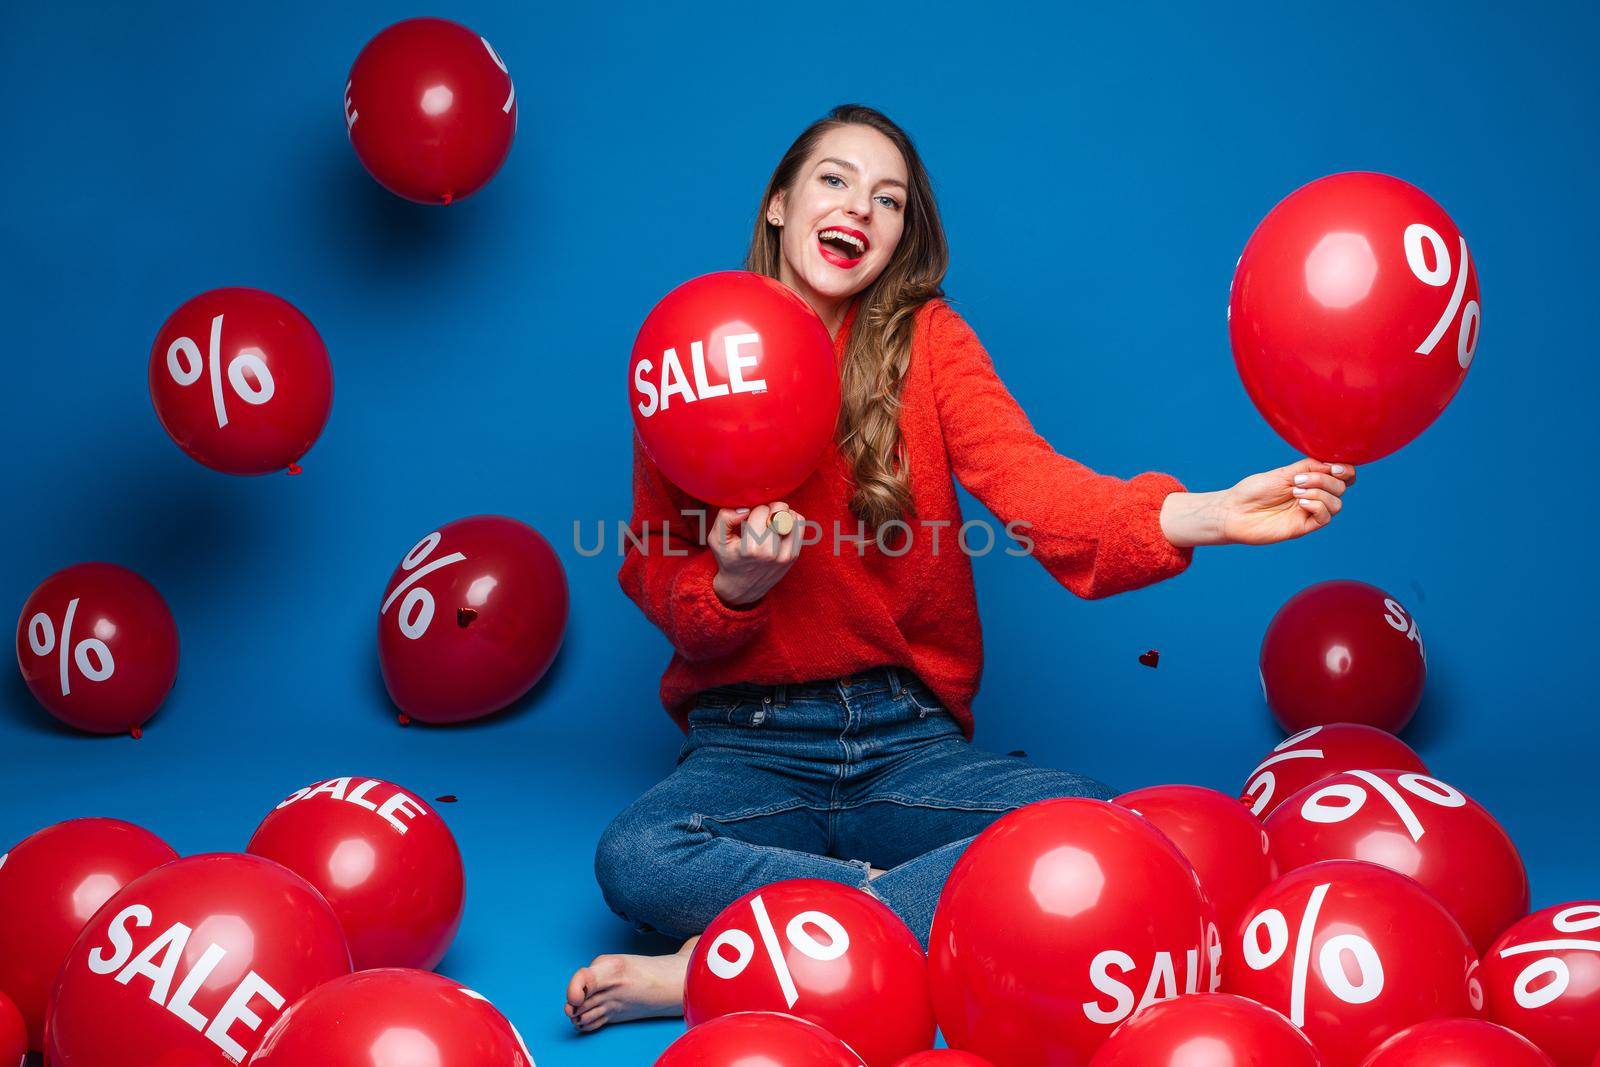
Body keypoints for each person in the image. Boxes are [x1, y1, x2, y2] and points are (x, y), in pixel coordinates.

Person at [565, 104, 1355, 1032]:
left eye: (888, 198)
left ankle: (746, 951)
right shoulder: (696, 346)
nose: (860, 205)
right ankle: (881, 913)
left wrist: (1204, 512)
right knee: (635, 854)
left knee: (1095, 832)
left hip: (906, 740)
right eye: (834, 179)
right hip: (750, 740)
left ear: (902, 232)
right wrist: (732, 589)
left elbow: (1036, 486)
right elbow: (654, 567)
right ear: (780, 204)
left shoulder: (927, 344)